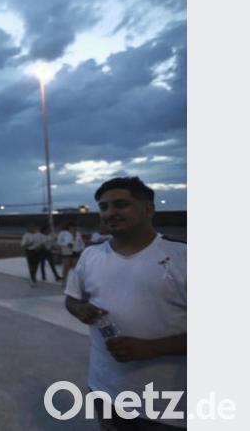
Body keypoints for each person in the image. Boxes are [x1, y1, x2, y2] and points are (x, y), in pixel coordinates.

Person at [65, 177, 186, 429]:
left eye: (121, 204)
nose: (110, 213)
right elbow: (72, 299)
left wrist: (153, 348)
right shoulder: (91, 255)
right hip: (105, 391)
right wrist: (80, 309)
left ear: (148, 209)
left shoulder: (183, 257)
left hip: (169, 406)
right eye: (104, 207)